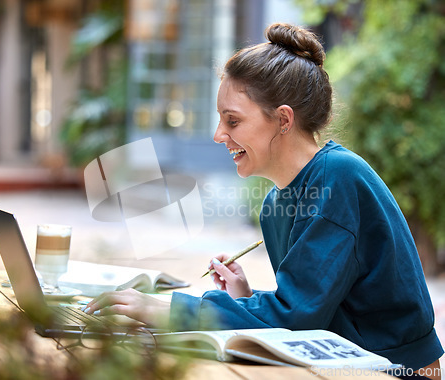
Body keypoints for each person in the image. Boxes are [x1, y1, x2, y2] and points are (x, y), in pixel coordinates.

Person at [84, 23, 443, 378]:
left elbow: (296, 315)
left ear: (283, 119)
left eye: (233, 120)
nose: (218, 134)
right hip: (340, 361)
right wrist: (246, 296)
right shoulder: (275, 204)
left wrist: (168, 310)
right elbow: (311, 305)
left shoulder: (338, 177)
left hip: (395, 370)